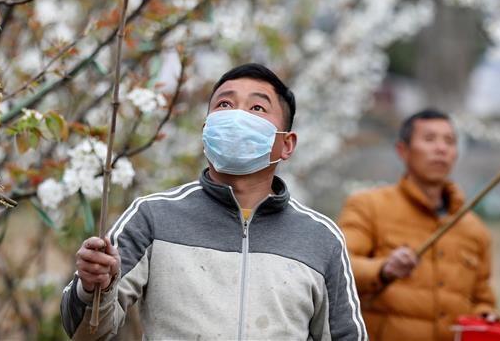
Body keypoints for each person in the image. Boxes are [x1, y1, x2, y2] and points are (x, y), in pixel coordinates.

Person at [60, 63, 367, 340]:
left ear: (286, 144)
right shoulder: (153, 217)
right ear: (206, 130)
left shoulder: (320, 238)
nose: (236, 117)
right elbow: (83, 331)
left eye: (257, 108)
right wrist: (92, 287)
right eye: (224, 104)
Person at [337, 109, 497, 341]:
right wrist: (383, 269)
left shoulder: (473, 228)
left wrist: (487, 316)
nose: (441, 148)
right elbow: (340, 267)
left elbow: (483, 299)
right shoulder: (368, 206)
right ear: (403, 150)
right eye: (429, 139)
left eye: (449, 141)